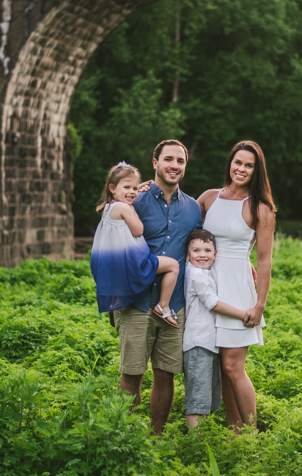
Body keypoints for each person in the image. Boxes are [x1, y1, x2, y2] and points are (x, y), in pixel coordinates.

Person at [112, 140, 202, 435]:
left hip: (173, 306)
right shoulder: (134, 200)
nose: (174, 165)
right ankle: (128, 438)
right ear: (155, 162)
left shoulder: (192, 209)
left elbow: (205, 247)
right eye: (168, 159)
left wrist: (245, 259)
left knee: (166, 375)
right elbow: (108, 227)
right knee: (131, 375)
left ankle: (155, 436)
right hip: (135, 302)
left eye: (180, 160)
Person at [197, 140, 276, 432]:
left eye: (249, 165)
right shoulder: (209, 198)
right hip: (208, 289)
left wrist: (260, 304)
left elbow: (265, 259)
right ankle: (235, 430)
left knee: (233, 366)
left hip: (238, 290)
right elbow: (176, 214)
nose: (241, 169)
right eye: (238, 162)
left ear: (256, 171)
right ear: (230, 163)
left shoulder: (260, 208)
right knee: (221, 367)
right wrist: (146, 187)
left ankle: (253, 433)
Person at [90, 163, 180, 326]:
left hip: (116, 266)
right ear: (112, 188)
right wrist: (132, 208)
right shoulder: (124, 207)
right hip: (133, 264)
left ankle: (115, 308)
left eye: (134, 188)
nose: (132, 192)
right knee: (173, 265)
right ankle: (163, 305)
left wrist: (134, 189)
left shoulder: (108, 208)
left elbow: (123, 194)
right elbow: (138, 231)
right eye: (127, 187)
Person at [183, 229, 248, 428]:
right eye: (196, 250)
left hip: (208, 344)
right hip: (198, 343)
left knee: (205, 397)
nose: (202, 255)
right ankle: (197, 446)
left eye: (207, 250)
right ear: (187, 254)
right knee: (197, 400)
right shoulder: (196, 275)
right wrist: (243, 315)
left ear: (215, 253)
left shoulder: (205, 273)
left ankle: (202, 442)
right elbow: (214, 303)